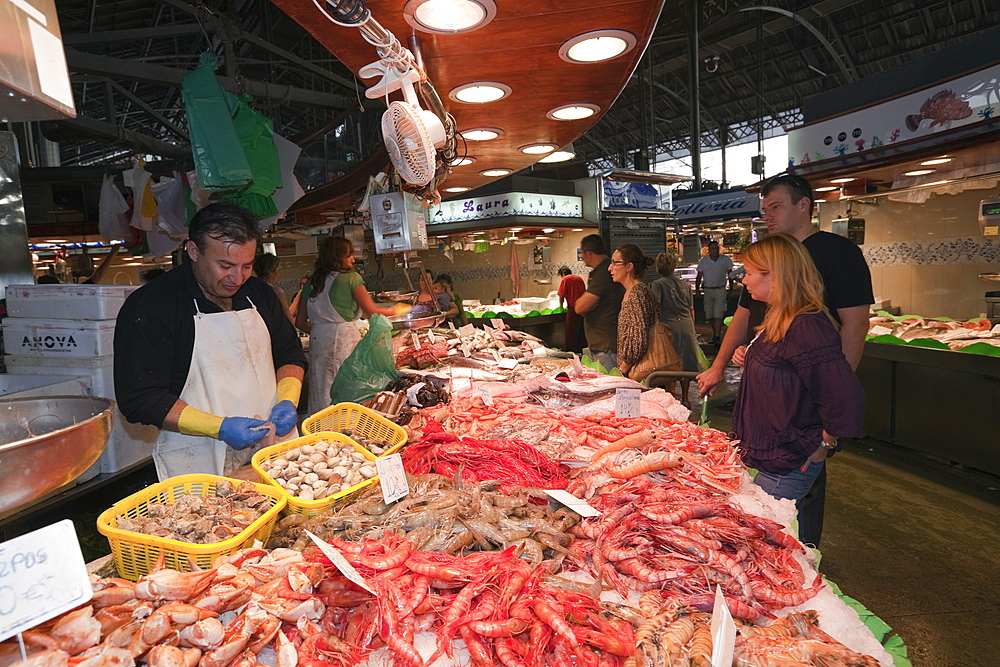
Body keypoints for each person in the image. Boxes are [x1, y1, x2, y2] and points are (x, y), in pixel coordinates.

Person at [697, 173, 873, 547]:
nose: (768, 215)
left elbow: (851, 346)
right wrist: (752, 359)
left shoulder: (814, 306)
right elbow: (745, 322)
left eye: (775, 207)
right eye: (764, 209)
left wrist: (822, 432)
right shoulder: (776, 314)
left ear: (803, 205)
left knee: (783, 538)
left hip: (793, 444)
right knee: (768, 530)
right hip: (769, 446)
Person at [114, 201, 306, 481]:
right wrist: (219, 427)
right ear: (193, 251)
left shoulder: (260, 295)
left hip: (272, 451)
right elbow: (140, 399)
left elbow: (290, 354)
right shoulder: (151, 307)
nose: (237, 278)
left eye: (247, 265)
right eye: (225, 265)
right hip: (198, 459)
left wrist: (288, 399)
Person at [731, 234, 865, 544]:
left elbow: (845, 395)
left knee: (763, 542)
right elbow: (786, 370)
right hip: (768, 454)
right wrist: (750, 358)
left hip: (788, 460)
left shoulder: (807, 326)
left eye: (751, 272)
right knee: (785, 538)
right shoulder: (779, 318)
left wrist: (824, 444)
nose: (744, 279)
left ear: (775, 276)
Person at [295, 236, 405, 415]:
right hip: (343, 338)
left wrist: (322, 332)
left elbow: (300, 322)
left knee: (321, 389)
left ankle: (319, 431)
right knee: (345, 386)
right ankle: (344, 431)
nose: (353, 259)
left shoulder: (311, 283)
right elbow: (371, 310)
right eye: (349, 256)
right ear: (336, 258)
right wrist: (400, 309)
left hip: (318, 339)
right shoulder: (352, 278)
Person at [572, 234, 625, 370]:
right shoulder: (599, 271)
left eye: (582, 253)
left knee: (610, 387)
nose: (582, 257)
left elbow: (580, 307)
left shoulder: (603, 272)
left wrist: (587, 305)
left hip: (607, 346)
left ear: (588, 253)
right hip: (603, 344)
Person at [609, 244, 658, 377]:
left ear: (629, 267)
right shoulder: (635, 291)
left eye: (615, 263)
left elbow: (638, 337)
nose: (610, 268)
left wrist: (624, 369)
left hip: (639, 371)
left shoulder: (637, 293)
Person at [650, 252, 700, 372]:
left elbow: (655, 307)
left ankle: (671, 390)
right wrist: (692, 328)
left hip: (668, 327)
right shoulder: (685, 285)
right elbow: (691, 308)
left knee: (669, 363)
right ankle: (685, 391)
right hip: (687, 326)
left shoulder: (658, 284)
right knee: (688, 362)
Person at [695, 241, 734, 345]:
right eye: (712, 249)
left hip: (720, 289)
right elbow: (699, 276)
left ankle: (717, 336)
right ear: (709, 250)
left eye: (716, 248)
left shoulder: (725, 260)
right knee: (710, 314)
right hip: (708, 290)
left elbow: (731, 274)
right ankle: (715, 333)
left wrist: (731, 289)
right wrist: (698, 289)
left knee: (718, 313)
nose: (715, 251)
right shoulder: (704, 261)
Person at [254, 253, 294, 324]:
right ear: (271, 271)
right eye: (278, 270)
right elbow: (288, 317)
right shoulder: (276, 291)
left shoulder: (251, 289)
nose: (279, 274)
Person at [556, 266, 586, 352]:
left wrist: (560, 307)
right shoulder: (579, 278)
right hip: (582, 307)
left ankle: (571, 353)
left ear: (562, 274)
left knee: (570, 331)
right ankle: (580, 352)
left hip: (573, 309)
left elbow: (561, 295)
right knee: (580, 331)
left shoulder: (565, 279)